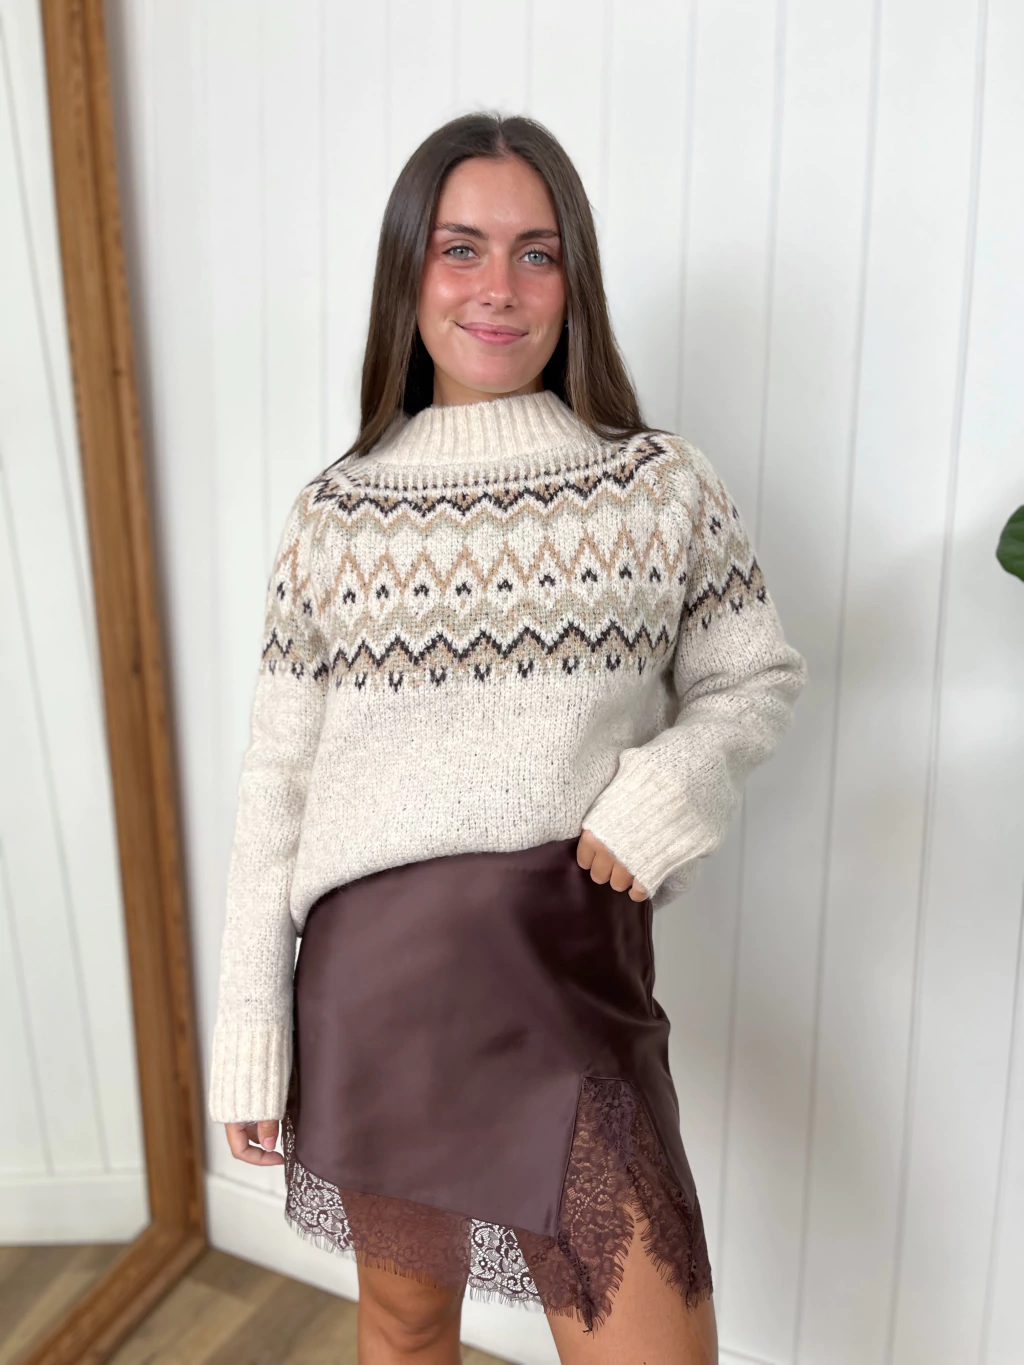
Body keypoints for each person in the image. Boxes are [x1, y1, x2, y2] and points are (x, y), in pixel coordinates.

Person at [207, 111, 807, 1365]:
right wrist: (253, 1034)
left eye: (537, 253)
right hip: (376, 987)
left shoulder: (660, 483)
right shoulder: (333, 516)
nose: (498, 287)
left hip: (566, 975)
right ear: (408, 274)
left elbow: (750, 677)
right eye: (460, 248)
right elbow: (277, 784)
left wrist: (667, 791)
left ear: (573, 279)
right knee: (403, 1326)